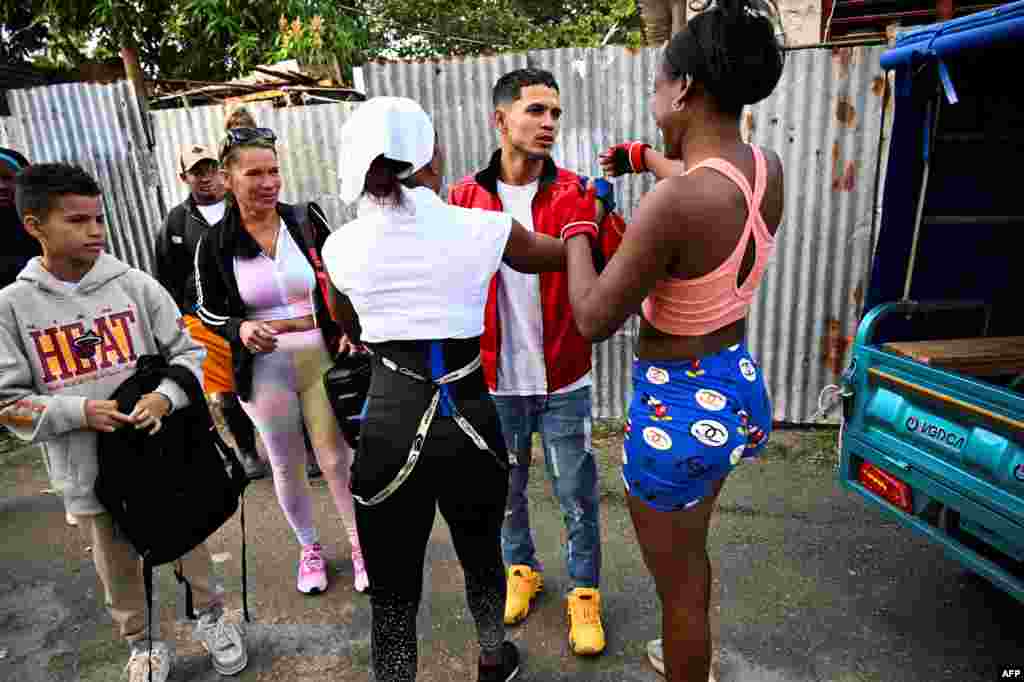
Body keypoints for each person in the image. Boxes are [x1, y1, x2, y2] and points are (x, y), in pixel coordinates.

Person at [324, 96, 598, 682]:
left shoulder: (340, 246)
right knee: (481, 554)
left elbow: (350, 327)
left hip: (390, 423)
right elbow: (565, 255)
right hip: (472, 417)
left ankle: (396, 676)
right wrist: (584, 222)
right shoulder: (484, 228)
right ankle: (494, 658)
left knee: (394, 587)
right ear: (430, 157)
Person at [564, 1, 786, 680]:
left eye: (658, 82)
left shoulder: (675, 205)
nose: (654, 95)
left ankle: (689, 660)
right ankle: (689, 649)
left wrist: (578, 229)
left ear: (683, 87)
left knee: (680, 588)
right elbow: (701, 185)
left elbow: (593, 318)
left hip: (677, 411)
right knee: (691, 559)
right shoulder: (764, 169)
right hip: (734, 386)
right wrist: (647, 158)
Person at [0, 163, 248, 681]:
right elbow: (8, 402)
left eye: (99, 218)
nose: (95, 231)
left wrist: (164, 397)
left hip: (160, 456)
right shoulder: (12, 307)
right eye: (77, 220)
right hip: (86, 469)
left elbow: (188, 353)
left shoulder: (135, 286)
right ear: (34, 225)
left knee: (187, 540)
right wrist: (77, 412)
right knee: (115, 564)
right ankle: (143, 642)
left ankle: (212, 619)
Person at [447, 68, 625, 655]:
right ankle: (520, 571)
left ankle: (584, 594)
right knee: (505, 489)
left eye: (555, 113)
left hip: (564, 375)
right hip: (495, 378)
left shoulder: (577, 191)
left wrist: (609, 221)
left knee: (576, 492)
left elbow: (612, 268)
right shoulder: (462, 198)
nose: (549, 123)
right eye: (536, 111)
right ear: (501, 119)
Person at [192, 126, 367, 594]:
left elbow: (342, 276)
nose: (268, 182)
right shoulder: (214, 242)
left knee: (337, 458)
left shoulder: (304, 219)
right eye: (254, 173)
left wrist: (351, 330)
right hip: (265, 368)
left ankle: (358, 546)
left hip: (319, 359)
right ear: (229, 178)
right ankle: (309, 550)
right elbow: (205, 307)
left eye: (273, 171)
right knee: (286, 464)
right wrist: (239, 328)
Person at [155, 143, 266, 479]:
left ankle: (302, 446)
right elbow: (167, 275)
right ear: (184, 177)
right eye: (196, 172)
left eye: (209, 169)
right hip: (205, 320)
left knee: (273, 378)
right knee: (226, 390)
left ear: (222, 171)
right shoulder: (176, 221)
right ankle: (247, 452)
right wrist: (182, 321)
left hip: (250, 311)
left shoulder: (245, 206)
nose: (205, 178)